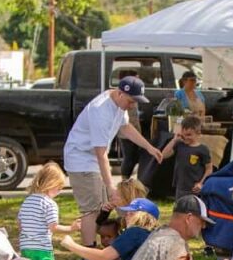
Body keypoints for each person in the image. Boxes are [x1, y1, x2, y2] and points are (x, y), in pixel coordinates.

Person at [63, 75, 163, 248]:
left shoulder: (119, 103)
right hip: (81, 159)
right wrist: (110, 186)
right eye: (131, 101)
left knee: (107, 206)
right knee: (92, 209)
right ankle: (89, 253)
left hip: (94, 158)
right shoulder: (100, 111)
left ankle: (115, 246)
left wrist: (148, 147)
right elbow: (101, 154)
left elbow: (125, 127)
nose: (133, 106)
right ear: (120, 93)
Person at [17, 162, 80, 260]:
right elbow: (54, 227)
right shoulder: (49, 204)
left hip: (26, 248)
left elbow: (19, 224)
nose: (59, 191)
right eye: (59, 188)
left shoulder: (27, 201)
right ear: (51, 184)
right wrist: (71, 228)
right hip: (42, 248)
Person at [162, 115, 212, 197]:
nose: (185, 137)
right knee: (180, 208)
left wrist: (201, 183)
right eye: (183, 134)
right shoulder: (179, 145)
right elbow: (164, 155)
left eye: (189, 135)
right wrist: (174, 140)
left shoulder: (202, 149)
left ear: (198, 134)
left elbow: (209, 169)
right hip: (180, 187)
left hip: (194, 189)